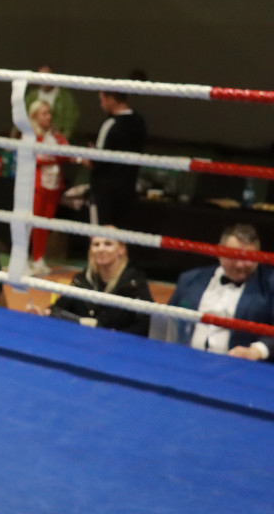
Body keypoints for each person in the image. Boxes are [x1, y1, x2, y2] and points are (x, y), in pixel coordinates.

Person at [157, 223, 274, 361]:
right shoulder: (191, 280)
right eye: (234, 257)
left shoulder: (269, 285)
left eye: (249, 258)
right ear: (219, 251)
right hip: (186, 361)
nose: (240, 265)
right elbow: (170, 321)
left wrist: (256, 351)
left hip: (238, 369)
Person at [29, 234, 152, 335]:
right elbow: (59, 307)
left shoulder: (134, 283)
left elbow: (145, 324)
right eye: (96, 244)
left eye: (108, 244)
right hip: (80, 345)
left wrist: (111, 335)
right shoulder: (82, 279)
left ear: (121, 249)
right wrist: (42, 313)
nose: (101, 248)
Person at [87, 89, 146, 227]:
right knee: (120, 239)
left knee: (101, 239)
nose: (101, 105)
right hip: (128, 190)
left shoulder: (111, 123)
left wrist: (80, 157)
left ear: (111, 99)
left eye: (102, 100)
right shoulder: (139, 122)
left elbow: (97, 161)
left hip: (104, 194)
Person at [28, 99, 69, 275]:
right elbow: (33, 158)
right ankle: (29, 258)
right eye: (44, 113)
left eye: (49, 113)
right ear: (35, 116)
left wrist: (51, 157)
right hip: (37, 185)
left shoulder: (55, 135)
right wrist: (53, 156)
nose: (48, 117)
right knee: (32, 223)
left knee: (45, 225)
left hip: (53, 185)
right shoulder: (30, 134)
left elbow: (66, 154)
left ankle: (39, 258)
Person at [24, 65, 79, 141]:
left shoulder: (65, 97)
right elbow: (22, 116)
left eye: (46, 77)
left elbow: (70, 121)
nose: (48, 117)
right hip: (33, 135)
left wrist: (62, 139)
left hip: (56, 138)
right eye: (40, 77)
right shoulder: (31, 96)